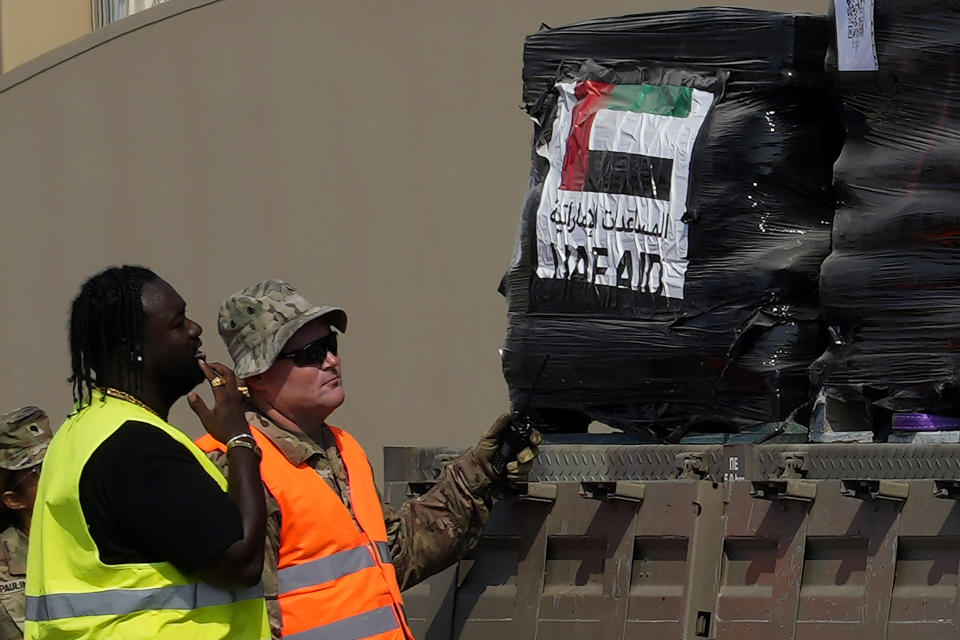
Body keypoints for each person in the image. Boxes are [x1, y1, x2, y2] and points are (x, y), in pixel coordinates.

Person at [196, 279, 540, 640]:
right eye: (310, 354)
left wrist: (480, 471)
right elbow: (247, 619)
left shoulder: (343, 448)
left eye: (330, 344)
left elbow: (395, 556)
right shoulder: (235, 463)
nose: (331, 361)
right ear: (259, 376)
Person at [25, 265, 270, 640]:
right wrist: (239, 437)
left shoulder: (87, 428)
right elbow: (241, 561)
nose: (195, 330)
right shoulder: (135, 448)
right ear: (133, 348)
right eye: (178, 323)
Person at [0, 406, 51, 640]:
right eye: (40, 470)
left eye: (59, 460)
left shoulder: (105, 539)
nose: (57, 472)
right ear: (14, 499)